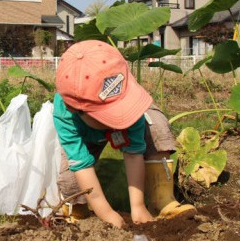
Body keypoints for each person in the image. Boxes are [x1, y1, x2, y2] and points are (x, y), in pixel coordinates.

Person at [53, 40, 195, 229]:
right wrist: (106, 213)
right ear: (76, 109)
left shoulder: (125, 96)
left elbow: (133, 152)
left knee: (156, 124)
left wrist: (137, 206)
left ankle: (162, 200)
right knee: (70, 178)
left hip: (123, 132)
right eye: (107, 114)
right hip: (87, 137)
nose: (119, 116)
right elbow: (81, 165)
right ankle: (78, 213)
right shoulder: (65, 115)